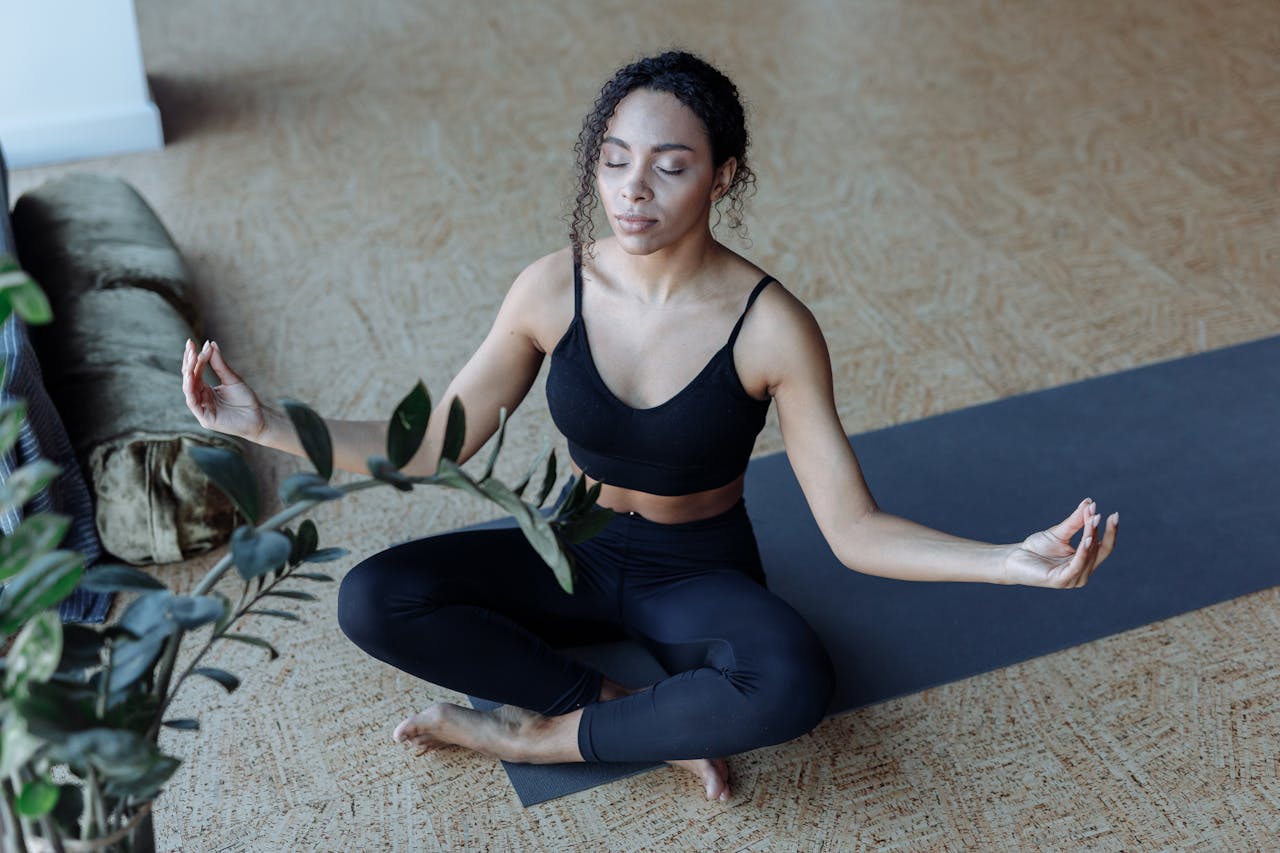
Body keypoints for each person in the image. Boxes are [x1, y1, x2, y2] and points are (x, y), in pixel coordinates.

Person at [180, 51, 1118, 802]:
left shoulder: (772, 327)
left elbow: (853, 527)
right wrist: (264, 422)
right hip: (570, 545)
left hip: (696, 570)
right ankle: (619, 709)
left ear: (722, 177)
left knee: (793, 681)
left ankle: (542, 734)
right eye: (615, 160)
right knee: (373, 597)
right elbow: (435, 442)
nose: (634, 190)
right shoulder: (552, 287)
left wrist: (1009, 561)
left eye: (670, 167)